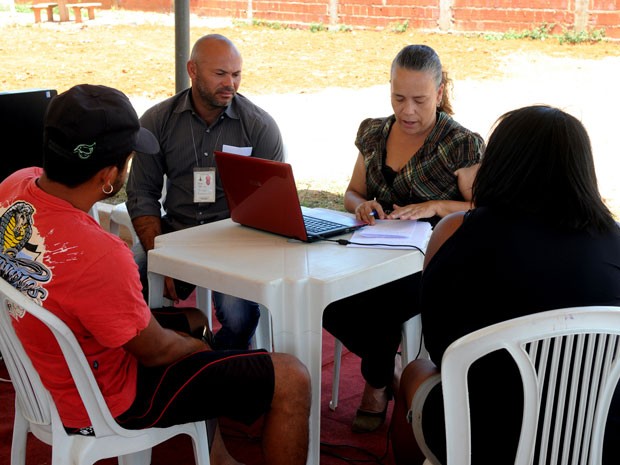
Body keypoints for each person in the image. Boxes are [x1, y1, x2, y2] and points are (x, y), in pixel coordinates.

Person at [0, 84, 310, 465]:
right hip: (109, 398)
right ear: (109, 176)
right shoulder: (100, 256)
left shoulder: (13, 187)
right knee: (291, 377)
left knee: (195, 321)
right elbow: (157, 350)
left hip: (49, 368)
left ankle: (216, 456)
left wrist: (193, 340)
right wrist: (199, 351)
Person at [390, 104, 620, 464]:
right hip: (597, 437)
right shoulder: (615, 242)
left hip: (483, 440)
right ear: (581, 169)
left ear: (500, 163)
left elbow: (439, 351)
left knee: (413, 372)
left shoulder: (456, 232)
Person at [321, 44, 485, 433]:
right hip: (369, 251)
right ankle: (392, 366)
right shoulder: (374, 132)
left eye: (419, 100)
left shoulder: (460, 142)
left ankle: (376, 384)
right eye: (398, 98)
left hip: (433, 262)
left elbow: (481, 209)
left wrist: (436, 206)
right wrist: (361, 206)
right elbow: (352, 191)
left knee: (382, 304)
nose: (407, 110)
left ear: (440, 92)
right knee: (324, 298)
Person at [126, 33, 285, 350]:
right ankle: (164, 355)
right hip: (174, 233)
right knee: (126, 284)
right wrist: (161, 255)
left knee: (239, 317)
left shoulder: (259, 126)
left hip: (233, 238)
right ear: (193, 70)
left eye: (236, 74)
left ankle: (214, 361)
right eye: (220, 74)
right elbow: (142, 194)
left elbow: (273, 206)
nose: (231, 83)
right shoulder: (158, 121)